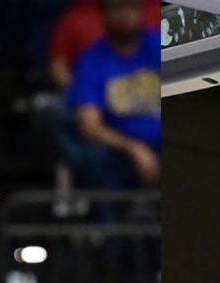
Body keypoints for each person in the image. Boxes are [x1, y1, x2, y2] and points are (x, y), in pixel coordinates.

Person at [66, 0, 159, 190]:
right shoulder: (92, 59)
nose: (124, 14)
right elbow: (89, 125)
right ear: (104, 15)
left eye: (130, 7)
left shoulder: (158, 45)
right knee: (94, 156)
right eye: (117, 8)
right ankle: (107, 219)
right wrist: (134, 148)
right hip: (120, 149)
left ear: (140, 11)